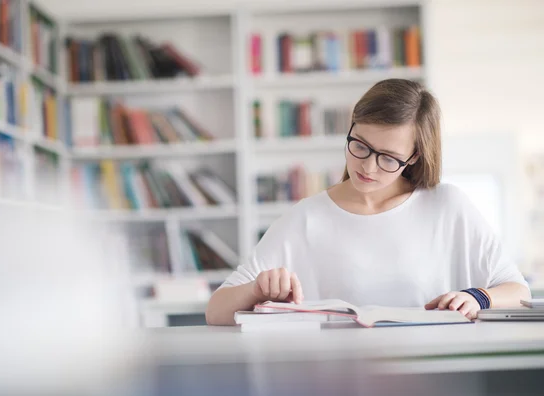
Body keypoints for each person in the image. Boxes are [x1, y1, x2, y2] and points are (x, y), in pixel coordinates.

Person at [206, 78, 531, 326]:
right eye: (360, 145)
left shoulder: (447, 206)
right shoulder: (306, 218)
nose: (367, 166)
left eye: (388, 157)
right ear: (351, 129)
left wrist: (479, 297)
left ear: (414, 156)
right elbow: (216, 310)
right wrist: (256, 291)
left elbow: (519, 292)